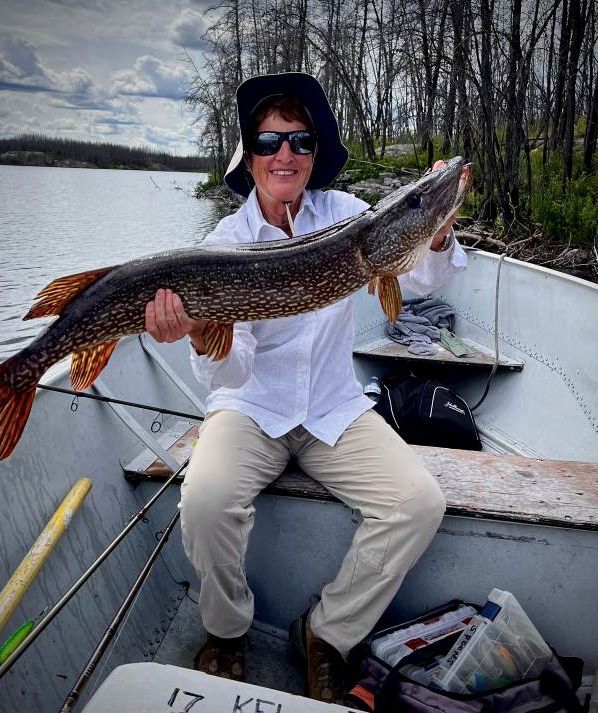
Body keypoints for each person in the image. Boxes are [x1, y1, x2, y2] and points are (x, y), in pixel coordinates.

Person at [144, 72, 467, 702]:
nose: (284, 154)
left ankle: (325, 633)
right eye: (267, 142)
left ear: (315, 154)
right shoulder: (224, 246)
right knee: (207, 499)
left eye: (298, 140)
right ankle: (227, 632)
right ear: (250, 157)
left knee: (418, 502)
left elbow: (422, 277)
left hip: (332, 407)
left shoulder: (349, 218)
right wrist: (197, 333)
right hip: (250, 408)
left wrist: (436, 218)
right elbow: (226, 375)